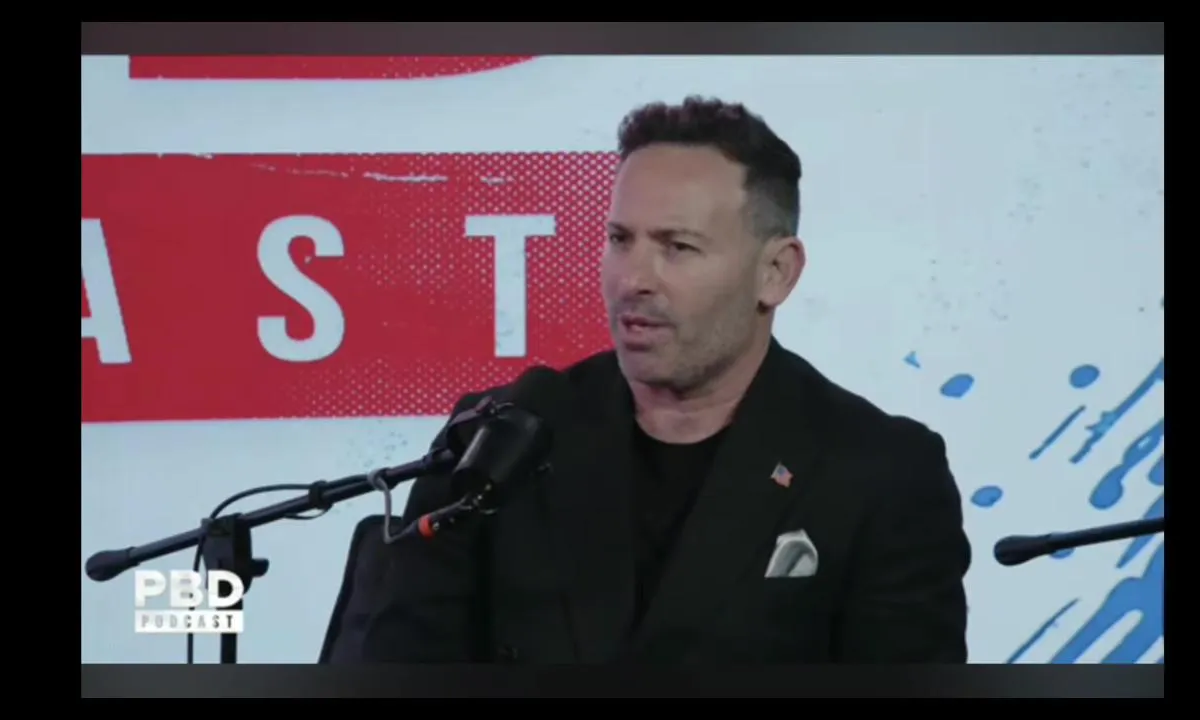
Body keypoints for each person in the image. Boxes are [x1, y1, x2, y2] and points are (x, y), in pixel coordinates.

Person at [351, 96, 971, 664]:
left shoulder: (880, 472)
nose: (633, 279)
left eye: (677, 247)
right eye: (620, 240)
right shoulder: (500, 442)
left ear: (776, 272)